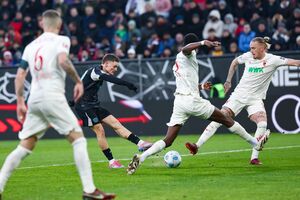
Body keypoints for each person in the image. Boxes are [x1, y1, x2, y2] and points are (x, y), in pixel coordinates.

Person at [0, 10, 116, 200]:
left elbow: (20, 75)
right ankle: (89, 190)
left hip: (34, 100)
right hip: (52, 96)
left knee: (25, 146)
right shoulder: (62, 40)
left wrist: (19, 101)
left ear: (42, 24)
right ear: (59, 25)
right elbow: (63, 61)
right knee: (78, 140)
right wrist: (78, 81)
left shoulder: (30, 46)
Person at [127, 33, 270, 175]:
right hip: (191, 100)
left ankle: (141, 158)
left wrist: (201, 87)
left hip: (180, 102)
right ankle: (255, 143)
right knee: (226, 119)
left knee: (168, 140)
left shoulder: (182, 61)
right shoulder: (186, 54)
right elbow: (186, 49)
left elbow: (186, 81)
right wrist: (203, 42)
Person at [185, 36, 300, 165]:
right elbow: (234, 62)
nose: (251, 51)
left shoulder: (273, 60)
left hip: (255, 99)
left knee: (262, 123)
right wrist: (228, 81)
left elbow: (295, 62)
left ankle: (254, 157)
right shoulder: (248, 56)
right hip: (239, 96)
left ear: (262, 48)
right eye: (250, 48)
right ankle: (197, 146)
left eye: (253, 48)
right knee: (219, 118)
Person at [72, 53, 152, 169]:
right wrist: (127, 84)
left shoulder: (97, 72)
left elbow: (81, 85)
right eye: (114, 66)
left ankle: (140, 143)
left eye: (116, 67)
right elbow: (109, 79)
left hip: (94, 105)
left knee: (116, 124)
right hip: (84, 107)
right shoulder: (96, 72)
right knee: (100, 130)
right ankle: (112, 162)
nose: (115, 69)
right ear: (106, 64)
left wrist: (72, 100)